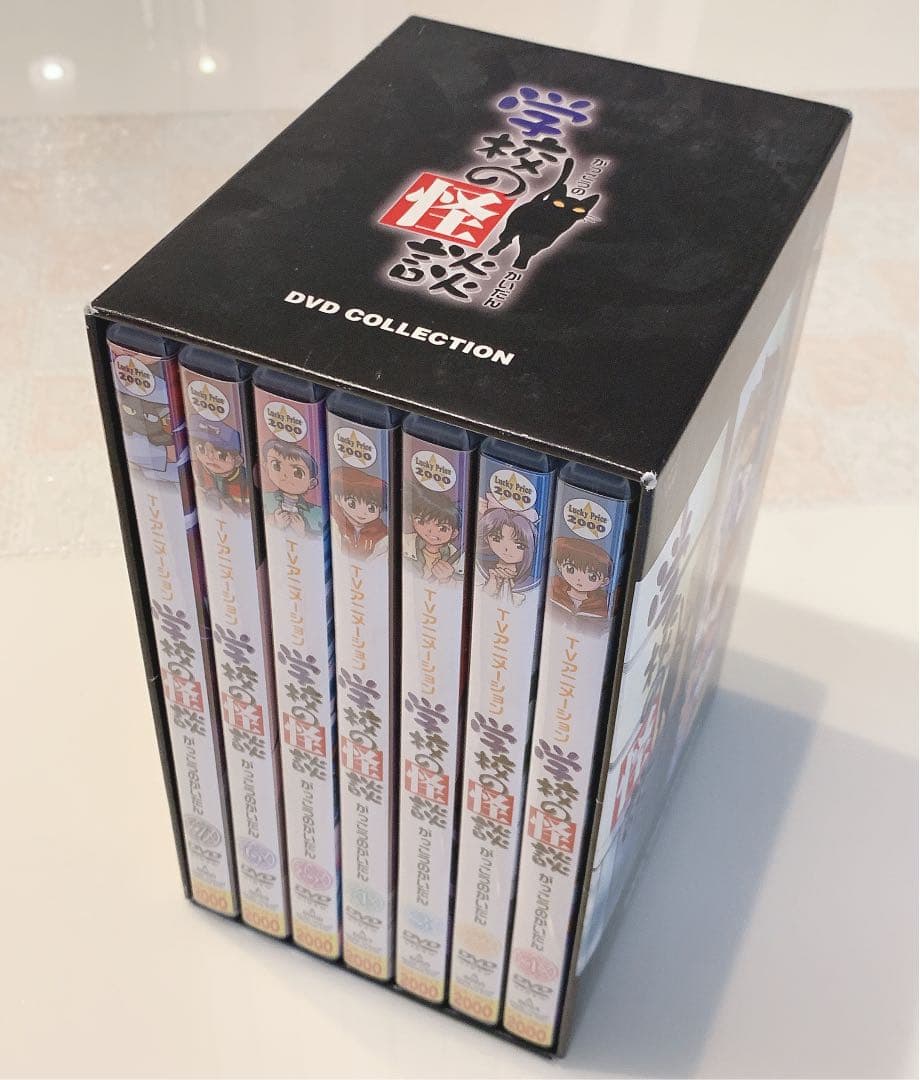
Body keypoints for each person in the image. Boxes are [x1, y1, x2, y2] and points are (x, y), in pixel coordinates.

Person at [476, 498, 538, 606]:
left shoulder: (532, 583)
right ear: (486, 539)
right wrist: (489, 589)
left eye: (519, 544)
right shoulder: (480, 570)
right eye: (496, 539)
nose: (506, 549)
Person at [261, 439, 323, 536]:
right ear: (266, 467)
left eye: (297, 472)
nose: (285, 475)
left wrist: (303, 533)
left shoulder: (317, 512)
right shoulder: (265, 499)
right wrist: (274, 523)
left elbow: (322, 536)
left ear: (312, 483)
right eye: (276, 466)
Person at [403, 485, 462, 582]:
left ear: (454, 533)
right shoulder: (403, 542)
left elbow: (460, 586)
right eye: (421, 522)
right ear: (411, 519)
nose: (431, 531)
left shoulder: (458, 558)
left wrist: (446, 579)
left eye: (442, 528)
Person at [189, 414, 247, 510]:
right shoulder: (198, 470)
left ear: (237, 459)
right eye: (201, 448)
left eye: (221, 454)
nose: (210, 457)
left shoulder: (245, 479)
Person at [329, 466, 388, 558]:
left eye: (371, 508)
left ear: (380, 509)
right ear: (338, 499)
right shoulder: (334, 524)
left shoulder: (383, 535)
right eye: (352, 503)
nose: (362, 512)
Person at [549, 536, 612, 619]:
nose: (579, 579)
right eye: (570, 569)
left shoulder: (601, 605)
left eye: (592, 577)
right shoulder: (554, 590)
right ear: (559, 566)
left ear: (604, 581)